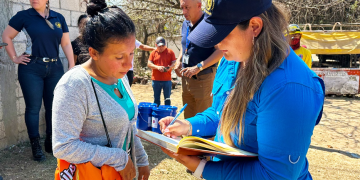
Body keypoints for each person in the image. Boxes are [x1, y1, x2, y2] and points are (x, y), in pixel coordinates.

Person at [159, 0, 325, 179]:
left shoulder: (288, 86)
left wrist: (202, 168)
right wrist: (188, 126)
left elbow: (275, 175)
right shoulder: (232, 59)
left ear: (254, 26)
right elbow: (220, 114)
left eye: (221, 33)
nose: (215, 43)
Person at [52, 0, 150, 179]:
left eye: (131, 54)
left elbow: (128, 126)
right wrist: (119, 158)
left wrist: (141, 159)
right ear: (94, 53)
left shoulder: (118, 76)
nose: (128, 64)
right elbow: (63, 146)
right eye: (119, 56)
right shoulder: (74, 85)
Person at [2, 0, 74, 161]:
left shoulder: (58, 17)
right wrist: (14, 57)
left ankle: (50, 140)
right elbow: (6, 35)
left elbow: (66, 43)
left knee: (53, 106)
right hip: (31, 68)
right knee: (33, 108)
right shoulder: (23, 16)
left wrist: (72, 65)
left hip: (55, 68)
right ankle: (36, 146)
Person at [175, 0, 223, 119]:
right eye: (182, 8)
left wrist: (198, 67)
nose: (184, 12)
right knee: (188, 120)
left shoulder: (210, 23)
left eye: (187, 7)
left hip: (204, 79)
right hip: (186, 79)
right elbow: (185, 46)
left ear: (199, 5)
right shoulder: (185, 24)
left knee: (204, 120)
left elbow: (220, 50)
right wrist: (178, 61)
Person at [147, 37, 176, 106]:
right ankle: (157, 114)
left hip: (167, 80)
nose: (161, 47)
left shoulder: (170, 52)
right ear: (156, 45)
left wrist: (170, 67)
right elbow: (149, 64)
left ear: (165, 44)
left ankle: (167, 113)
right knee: (156, 99)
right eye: (159, 46)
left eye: (163, 45)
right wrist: (157, 67)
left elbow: (174, 63)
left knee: (167, 99)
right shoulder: (153, 53)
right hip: (156, 80)